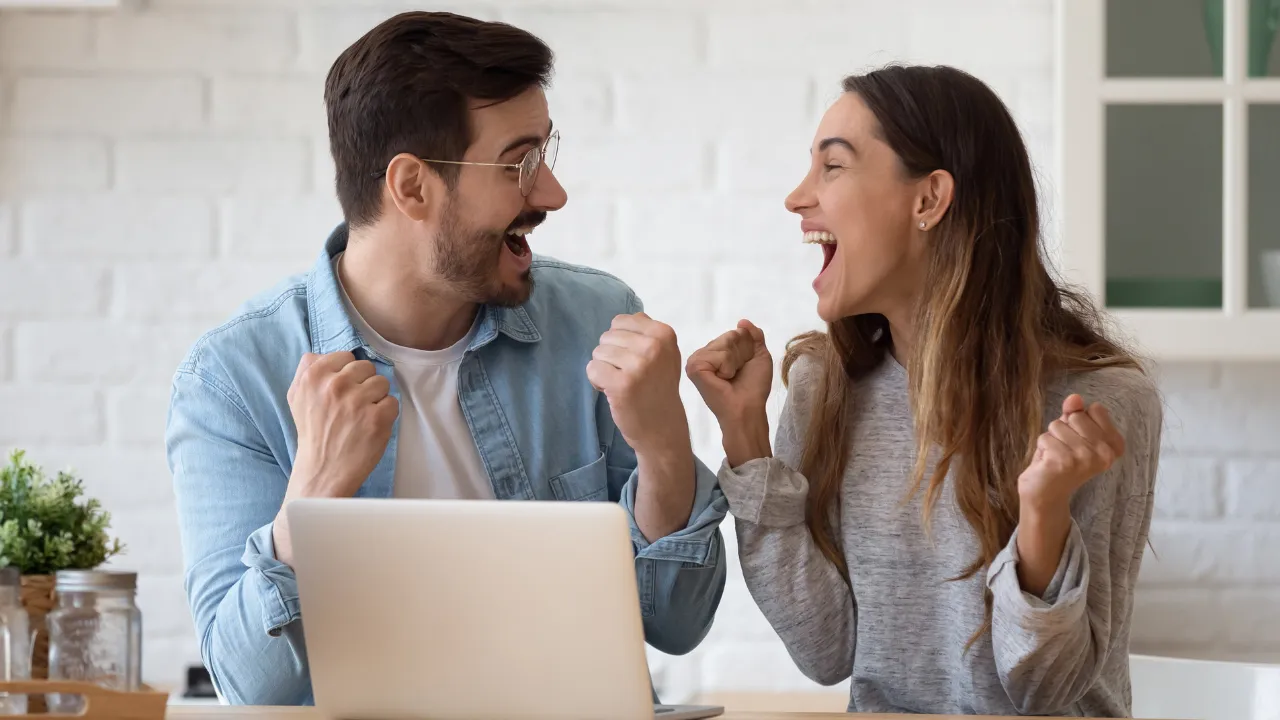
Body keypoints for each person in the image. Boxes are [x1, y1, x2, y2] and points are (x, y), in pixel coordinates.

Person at [166, 11, 727, 706]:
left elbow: (676, 623)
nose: (551, 193)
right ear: (412, 187)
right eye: (519, 163)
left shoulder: (595, 322)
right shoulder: (233, 380)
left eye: (545, 153)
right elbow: (252, 689)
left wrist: (665, 448)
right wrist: (313, 492)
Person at [685, 65, 1162, 717]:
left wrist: (1042, 515)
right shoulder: (825, 387)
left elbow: (1045, 692)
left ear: (929, 200)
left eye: (832, 166)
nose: (797, 198)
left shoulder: (1100, 403)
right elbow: (827, 650)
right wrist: (745, 439)